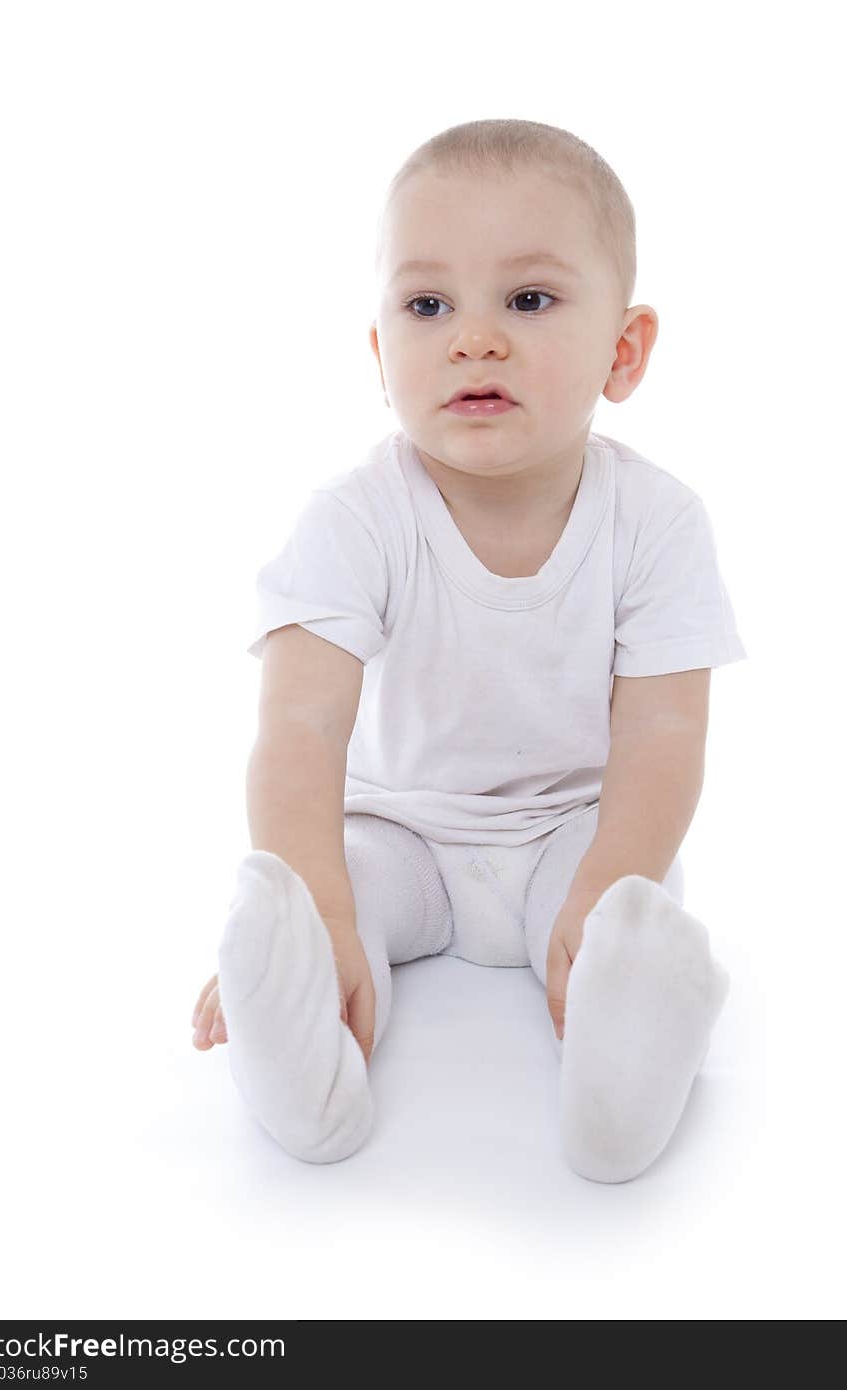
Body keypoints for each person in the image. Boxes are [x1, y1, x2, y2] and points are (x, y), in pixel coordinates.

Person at [190, 118, 746, 1182]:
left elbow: (666, 732)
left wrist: (601, 888)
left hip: (566, 831)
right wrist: (323, 906)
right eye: (427, 305)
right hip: (395, 827)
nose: (473, 339)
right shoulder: (356, 517)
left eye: (527, 301)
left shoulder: (659, 521)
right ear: (379, 354)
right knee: (331, 887)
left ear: (623, 352)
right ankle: (297, 1028)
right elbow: (299, 724)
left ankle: (625, 1066)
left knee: (621, 910)